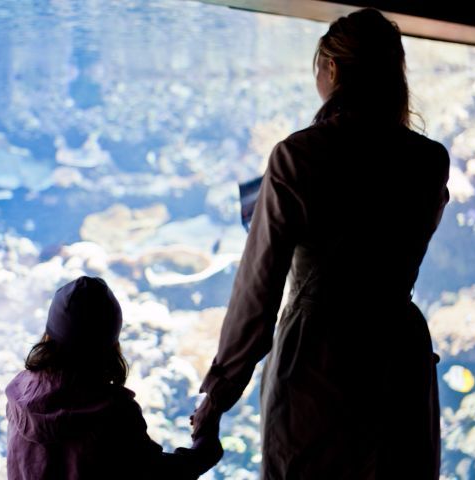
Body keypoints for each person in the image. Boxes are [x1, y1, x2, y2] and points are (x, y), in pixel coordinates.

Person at [191, 8, 449, 480]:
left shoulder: (298, 156)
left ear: (332, 69)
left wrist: (219, 394)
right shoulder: (430, 161)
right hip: (399, 354)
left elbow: (257, 291)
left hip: (320, 359)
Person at [6, 276, 222, 480]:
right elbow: (160, 475)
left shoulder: (18, 392)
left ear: (48, 334)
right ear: (111, 343)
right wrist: (205, 444)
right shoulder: (115, 413)